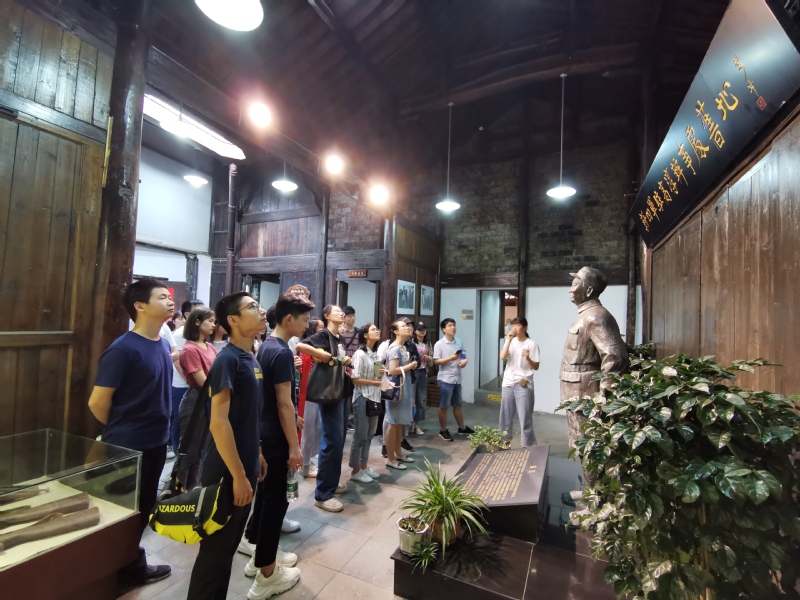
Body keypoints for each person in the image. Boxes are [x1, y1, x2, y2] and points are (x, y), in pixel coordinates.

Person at [87, 278, 173, 590]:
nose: (170, 301)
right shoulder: (123, 349)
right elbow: (97, 402)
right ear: (139, 306)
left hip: (157, 441)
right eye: (161, 297)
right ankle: (116, 573)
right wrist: (123, 430)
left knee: (143, 509)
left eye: (169, 296)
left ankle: (130, 567)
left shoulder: (161, 344)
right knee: (122, 512)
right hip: (129, 446)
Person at [186, 292, 268, 600]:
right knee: (214, 555)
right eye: (252, 307)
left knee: (228, 550)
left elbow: (248, 416)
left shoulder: (251, 358)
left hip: (244, 465)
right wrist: (238, 475)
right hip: (226, 471)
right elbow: (218, 423)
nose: (261, 311)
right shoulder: (227, 360)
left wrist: (257, 453)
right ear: (232, 320)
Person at [245, 294, 314, 600]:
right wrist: (294, 447)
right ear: (289, 319)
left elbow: (274, 399)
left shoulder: (267, 346)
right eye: (304, 319)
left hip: (266, 433)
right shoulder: (283, 352)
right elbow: (284, 403)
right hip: (276, 439)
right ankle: (267, 576)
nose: (306, 325)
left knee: (265, 500)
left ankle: (259, 557)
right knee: (275, 504)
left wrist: (293, 417)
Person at [561, 267, 628, 490]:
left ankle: (596, 496)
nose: (570, 289)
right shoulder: (584, 315)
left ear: (589, 290)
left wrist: (604, 396)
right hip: (575, 389)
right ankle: (591, 492)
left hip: (586, 391)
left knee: (589, 443)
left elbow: (615, 357)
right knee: (580, 442)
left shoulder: (596, 316)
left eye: (575, 284)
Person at [296, 305, 351, 513]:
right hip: (329, 395)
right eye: (337, 311)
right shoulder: (323, 335)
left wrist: (343, 360)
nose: (341, 314)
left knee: (338, 441)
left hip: (341, 391)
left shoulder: (339, 338)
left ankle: (331, 483)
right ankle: (323, 494)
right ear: (327, 316)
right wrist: (325, 356)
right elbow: (301, 346)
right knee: (331, 441)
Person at [177, 307, 218, 489]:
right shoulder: (190, 349)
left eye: (214, 322)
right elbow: (203, 381)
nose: (213, 325)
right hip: (196, 400)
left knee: (201, 451)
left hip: (209, 400)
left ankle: (191, 491)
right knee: (189, 452)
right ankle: (177, 492)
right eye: (210, 321)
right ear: (197, 322)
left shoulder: (210, 346)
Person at [348, 323, 383, 483]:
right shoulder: (359, 354)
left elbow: (378, 377)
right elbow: (355, 379)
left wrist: (381, 373)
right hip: (362, 397)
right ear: (365, 335)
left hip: (375, 397)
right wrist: (373, 382)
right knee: (360, 435)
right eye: (373, 330)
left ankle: (364, 466)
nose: (377, 331)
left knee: (370, 434)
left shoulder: (376, 354)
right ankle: (355, 470)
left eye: (377, 329)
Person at [499, 317, 540, 447]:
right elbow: (502, 357)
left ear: (525, 328)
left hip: (523, 383)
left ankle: (528, 446)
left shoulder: (531, 344)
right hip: (508, 382)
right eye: (513, 326)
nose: (514, 328)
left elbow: (536, 366)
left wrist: (528, 358)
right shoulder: (510, 342)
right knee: (505, 415)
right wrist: (508, 339)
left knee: (525, 416)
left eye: (517, 325)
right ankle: (504, 443)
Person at [170, 299, 204, 455]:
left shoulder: (199, 334)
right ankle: (178, 453)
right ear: (187, 314)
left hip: (195, 384)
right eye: (198, 311)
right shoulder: (180, 333)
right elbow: (178, 362)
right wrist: (190, 380)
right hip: (181, 384)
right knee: (180, 421)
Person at [432, 318, 475, 441]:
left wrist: (464, 361)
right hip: (445, 379)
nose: (453, 328)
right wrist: (450, 358)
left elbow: (464, 356)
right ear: (443, 329)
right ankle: (443, 430)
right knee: (444, 406)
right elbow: (436, 361)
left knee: (457, 404)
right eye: (450, 325)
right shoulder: (439, 344)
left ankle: (462, 428)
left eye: (454, 325)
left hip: (457, 379)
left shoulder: (459, 342)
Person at [384, 320, 417, 470]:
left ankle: (398, 453)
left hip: (403, 388)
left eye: (408, 326)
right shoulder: (394, 348)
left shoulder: (403, 347)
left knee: (398, 424)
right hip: (396, 390)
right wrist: (409, 366)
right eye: (403, 326)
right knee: (393, 423)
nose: (408, 328)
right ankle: (390, 458)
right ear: (396, 331)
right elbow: (392, 370)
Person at [298, 318, 324, 478]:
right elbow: (303, 371)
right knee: (308, 431)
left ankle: (310, 459)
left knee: (318, 430)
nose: (323, 330)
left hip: (320, 393)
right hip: (308, 394)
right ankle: (304, 465)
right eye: (320, 327)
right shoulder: (306, 349)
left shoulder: (322, 349)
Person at [411, 322, 432, 436]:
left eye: (424, 329)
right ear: (415, 331)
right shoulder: (411, 343)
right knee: (411, 398)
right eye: (419, 329)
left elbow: (432, 360)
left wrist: (428, 358)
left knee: (421, 398)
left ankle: (416, 425)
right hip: (413, 372)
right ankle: (408, 425)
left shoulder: (427, 343)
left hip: (423, 372)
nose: (422, 331)